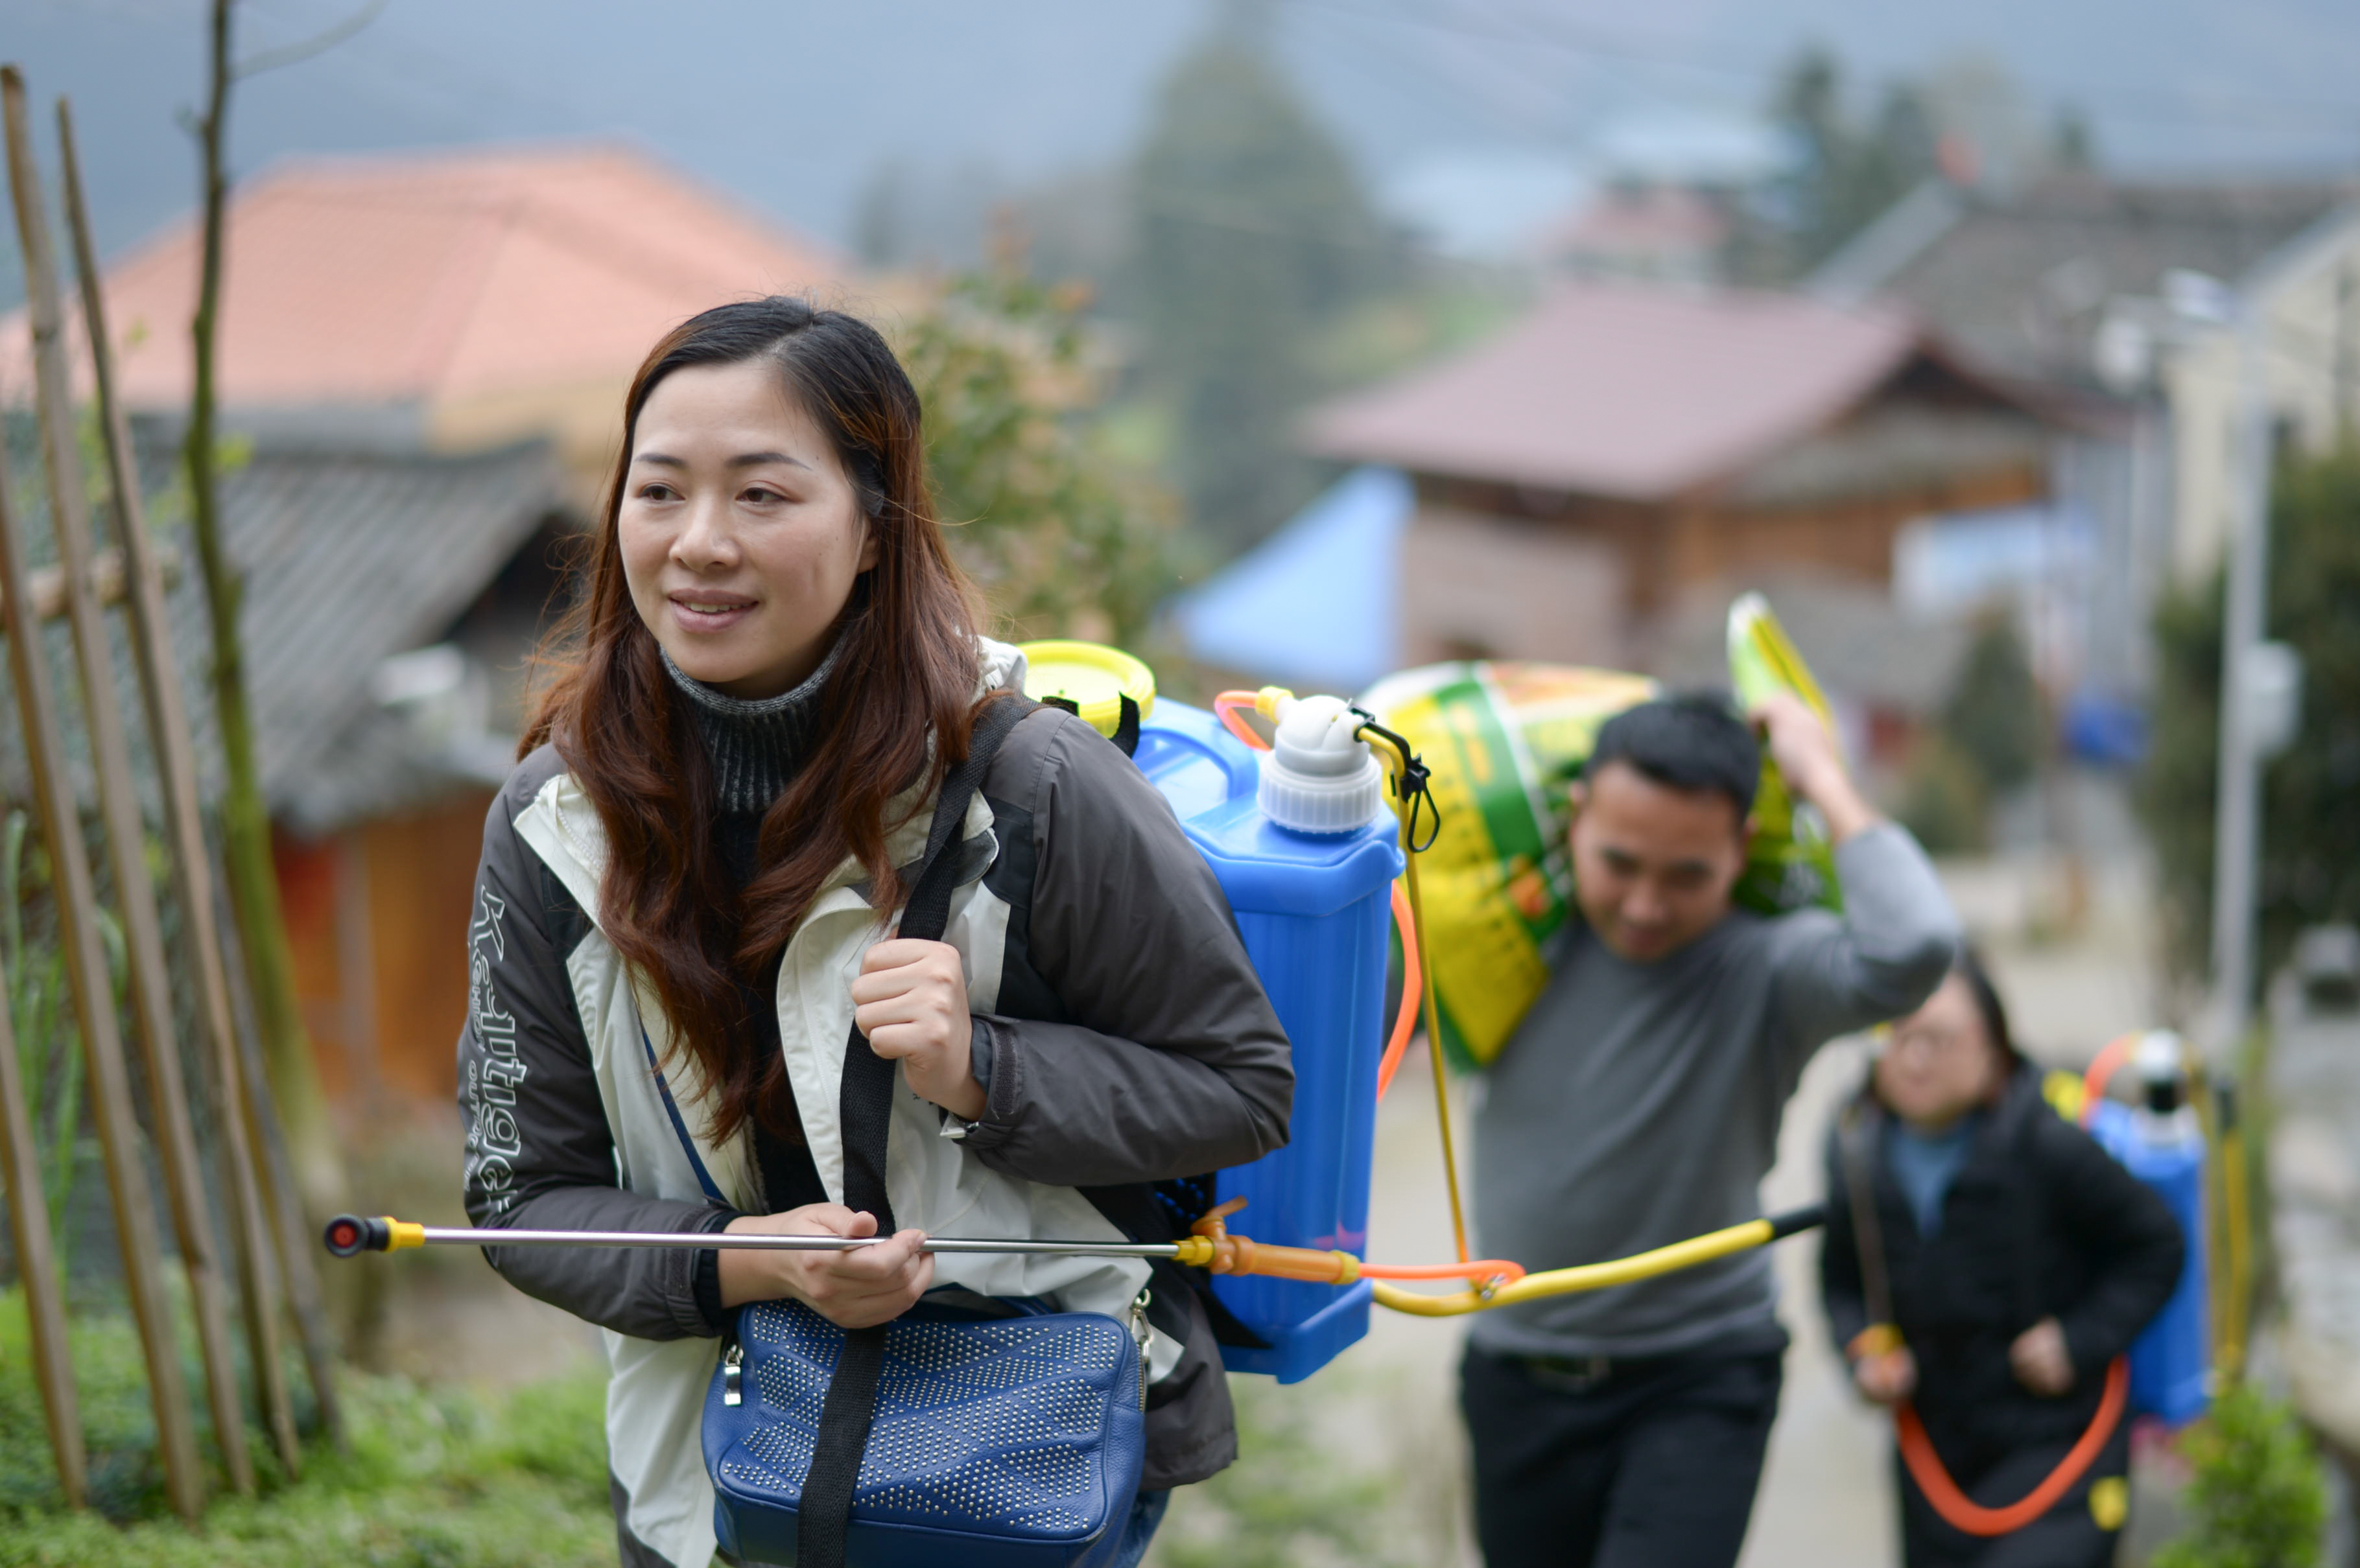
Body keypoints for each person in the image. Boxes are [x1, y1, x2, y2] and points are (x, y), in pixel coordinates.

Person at [454, 298, 1293, 1568]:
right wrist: (748, 1262)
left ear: (870, 531)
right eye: (660, 490)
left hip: (1024, 1448)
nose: (698, 545)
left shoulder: (1032, 789)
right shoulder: (558, 820)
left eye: (762, 496)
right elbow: (522, 1196)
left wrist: (981, 1068)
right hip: (713, 1475)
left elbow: (1239, 1087)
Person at [1460, 691, 1961, 1568]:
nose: (1647, 904)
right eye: (1621, 862)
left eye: (1687, 873)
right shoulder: (1505, 947)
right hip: (1516, 1371)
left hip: (1698, 1375)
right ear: (1576, 818)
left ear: (1740, 851)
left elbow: (1915, 944)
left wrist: (1821, 778)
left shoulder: (1767, 970)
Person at [1821, 949, 2184, 1568]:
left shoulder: (2047, 1145)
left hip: (2058, 1450)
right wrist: (1864, 1353)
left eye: (1940, 1038)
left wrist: (2078, 1339)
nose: (1914, 1058)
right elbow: (1842, 1283)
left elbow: (2155, 1245)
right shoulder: (1857, 1154)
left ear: (1994, 1052)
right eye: (1900, 1036)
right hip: (1935, 1462)